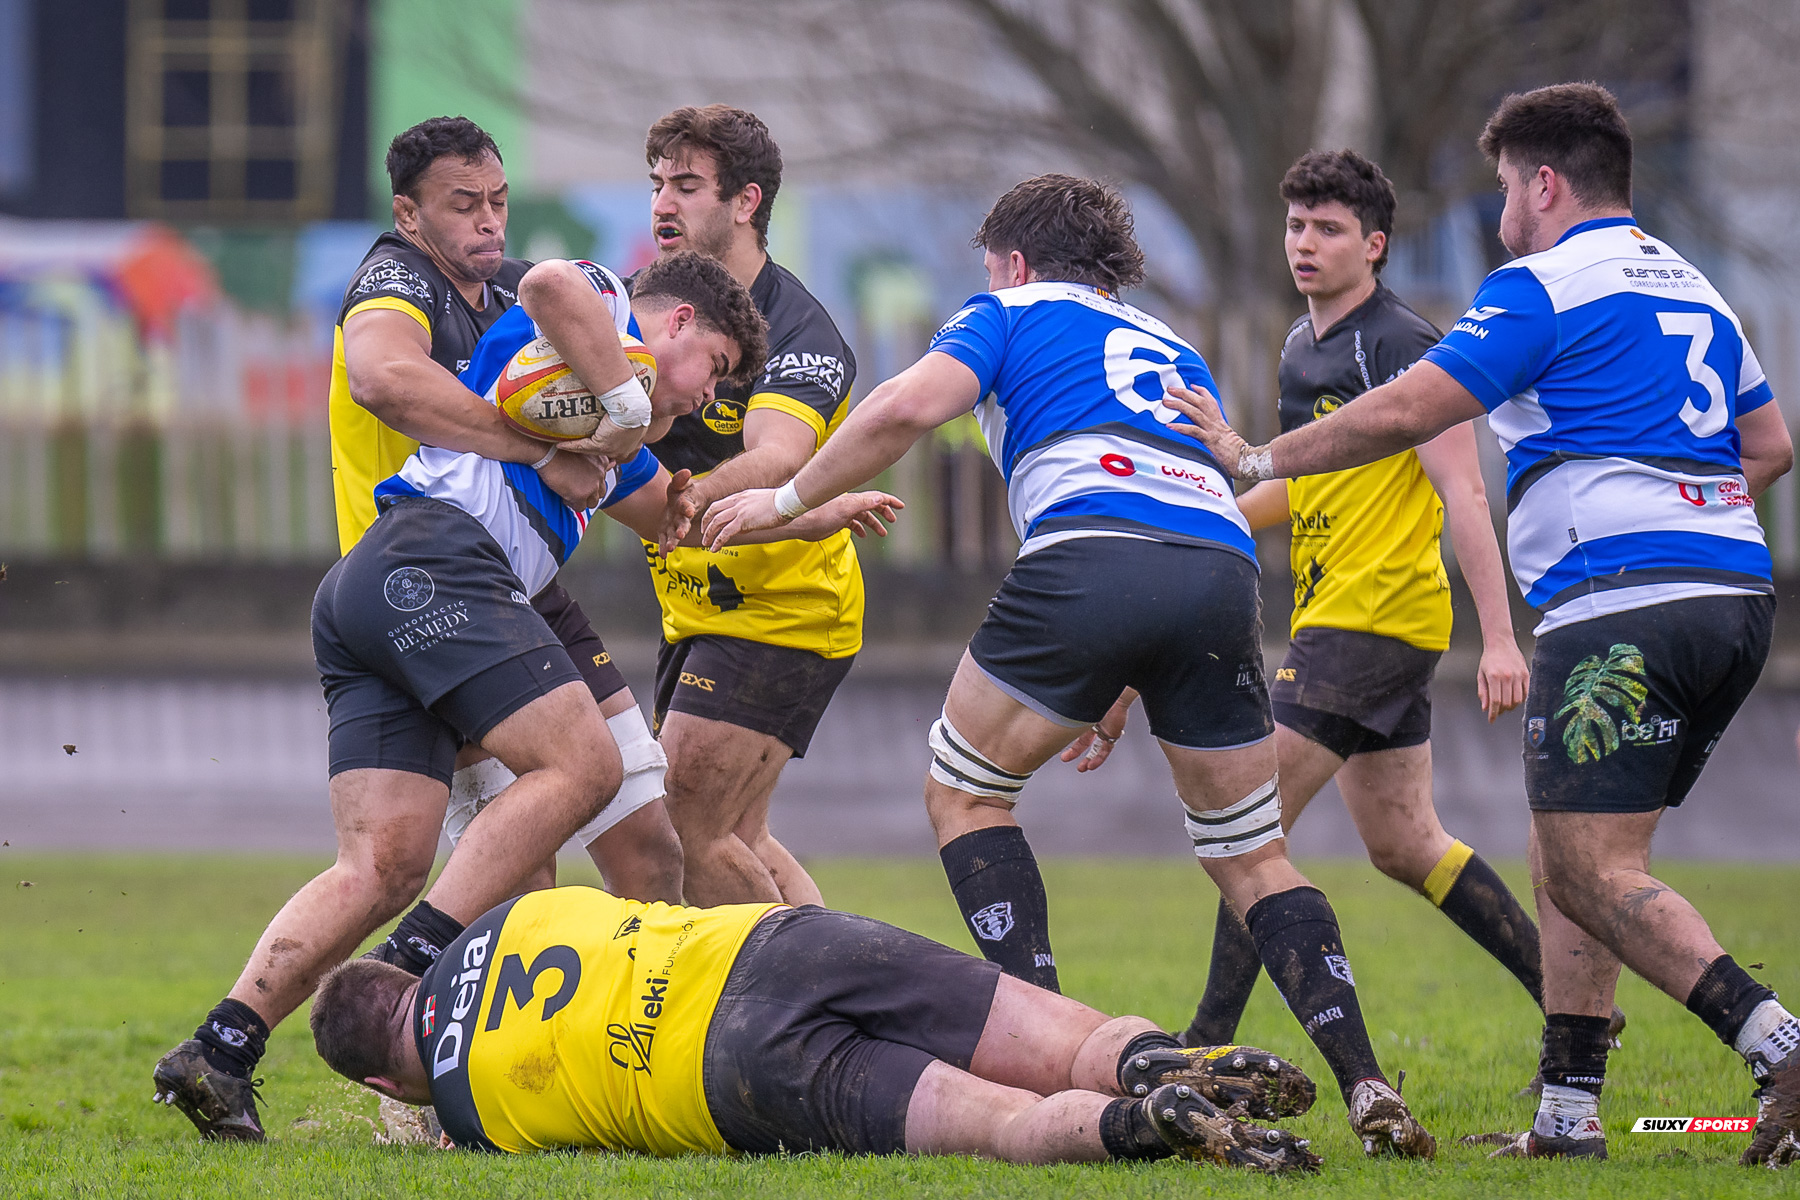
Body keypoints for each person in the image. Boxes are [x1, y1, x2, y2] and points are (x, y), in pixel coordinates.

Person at [701, 174, 1437, 1158]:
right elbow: (1179, 517)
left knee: (965, 796)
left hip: (1089, 548)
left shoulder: (1005, 309)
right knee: (1253, 853)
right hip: (1220, 571)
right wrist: (1126, 677)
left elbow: (908, 408)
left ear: (1011, 261)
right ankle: (1368, 1083)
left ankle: (1050, 1053)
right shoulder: (1175, 348)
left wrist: (786, 501)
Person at [1164, 83, 1800, 1167]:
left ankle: (1778, 1045)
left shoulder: (1535, 286)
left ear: (1543, 184)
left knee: (1591, 869)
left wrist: (1258, 455)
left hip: (1620, 609)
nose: (1501, 206)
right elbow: (1771, 446)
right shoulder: (1696, 288)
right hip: (1732, 596)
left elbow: (1418, 408)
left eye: (1506, 184)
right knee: (1574, 858)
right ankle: (1567, 1118)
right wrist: (1680, 501)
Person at [151, 250, 897, 1142]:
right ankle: (402, 967)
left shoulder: (608, 443)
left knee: (382, 866)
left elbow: (687, 520)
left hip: (370, 588)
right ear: (680, 326)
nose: (706, 401)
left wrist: (814, 508)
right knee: (582, 766)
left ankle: (218, 1052)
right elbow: (547, 282)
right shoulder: (607, 323)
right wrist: (625, 397)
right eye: (719, 371)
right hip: (435, 560)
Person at [1067, 149, 1559, 1055]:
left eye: (1329, 229)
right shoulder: (1302, 347)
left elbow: (1465, 493)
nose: (1306, 243)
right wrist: (1208, 527)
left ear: (1373, 246)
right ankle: (1574, 1010)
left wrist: (1500, 639)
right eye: (1296, 224)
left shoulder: (1404, 343)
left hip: (1371, 621)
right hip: (1346, 619)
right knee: (1406, 843)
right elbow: (1302, 485)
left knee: (1249, 826)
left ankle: (1206, 1041)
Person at [309, 885, 1322, 1172]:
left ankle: (1140, 1128)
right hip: (773, 944)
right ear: (406, 971)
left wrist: (439, 1114)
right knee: (1066, 1037)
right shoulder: (501, 920)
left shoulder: (464, 1109)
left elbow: (457, 1103)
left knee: (1002, 1126)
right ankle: (1152, 1061)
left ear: (383, 1084)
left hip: (732, 1071)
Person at [327, 115, 684, 912]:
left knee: (651, 848)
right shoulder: (394, 283)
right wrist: (537, 452)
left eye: (498, 200)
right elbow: (382, 378)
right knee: (518, 883)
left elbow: (613, 458)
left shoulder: (517, 293)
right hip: (424, 579)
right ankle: (451, 1024)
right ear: (408, 215)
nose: (488, 219)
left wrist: (754, 510)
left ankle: (646, 1024)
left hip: (521, 585)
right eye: (463, 204)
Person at [637, 105, 862, 907]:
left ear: (745, 201)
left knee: (683, 825)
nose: (663, 203)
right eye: (658, 183)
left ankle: (808, 1006)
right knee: (738, 837)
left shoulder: (800, 329)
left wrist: (667, 496)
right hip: (696, 607)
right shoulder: (653, 306)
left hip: (784, 611)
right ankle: (847, 993)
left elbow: (776, 459)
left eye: (688, 185)